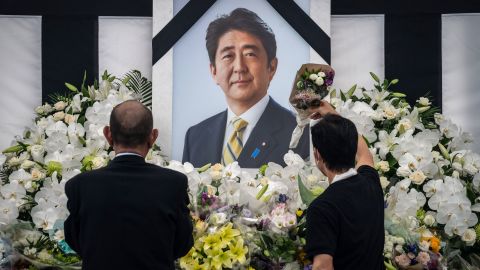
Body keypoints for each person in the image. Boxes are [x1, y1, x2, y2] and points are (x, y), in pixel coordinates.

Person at [64, 100, 193, 270]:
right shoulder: (174, 183)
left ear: (108, 134)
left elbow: (75, 241)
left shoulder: (79, 185)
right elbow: (182, 244)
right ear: (153, 136)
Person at [182, 8, 309, 168]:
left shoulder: (301, 133)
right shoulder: (195, 137)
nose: (239, 67)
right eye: (228, 56)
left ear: (271, 67)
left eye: (250, 54)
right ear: (214, 71)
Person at [305, 101, 385, 270]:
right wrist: (332, 114)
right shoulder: (371, 183)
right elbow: (364, 154)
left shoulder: (321, 208)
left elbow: (322, 267)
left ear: (317, 154)